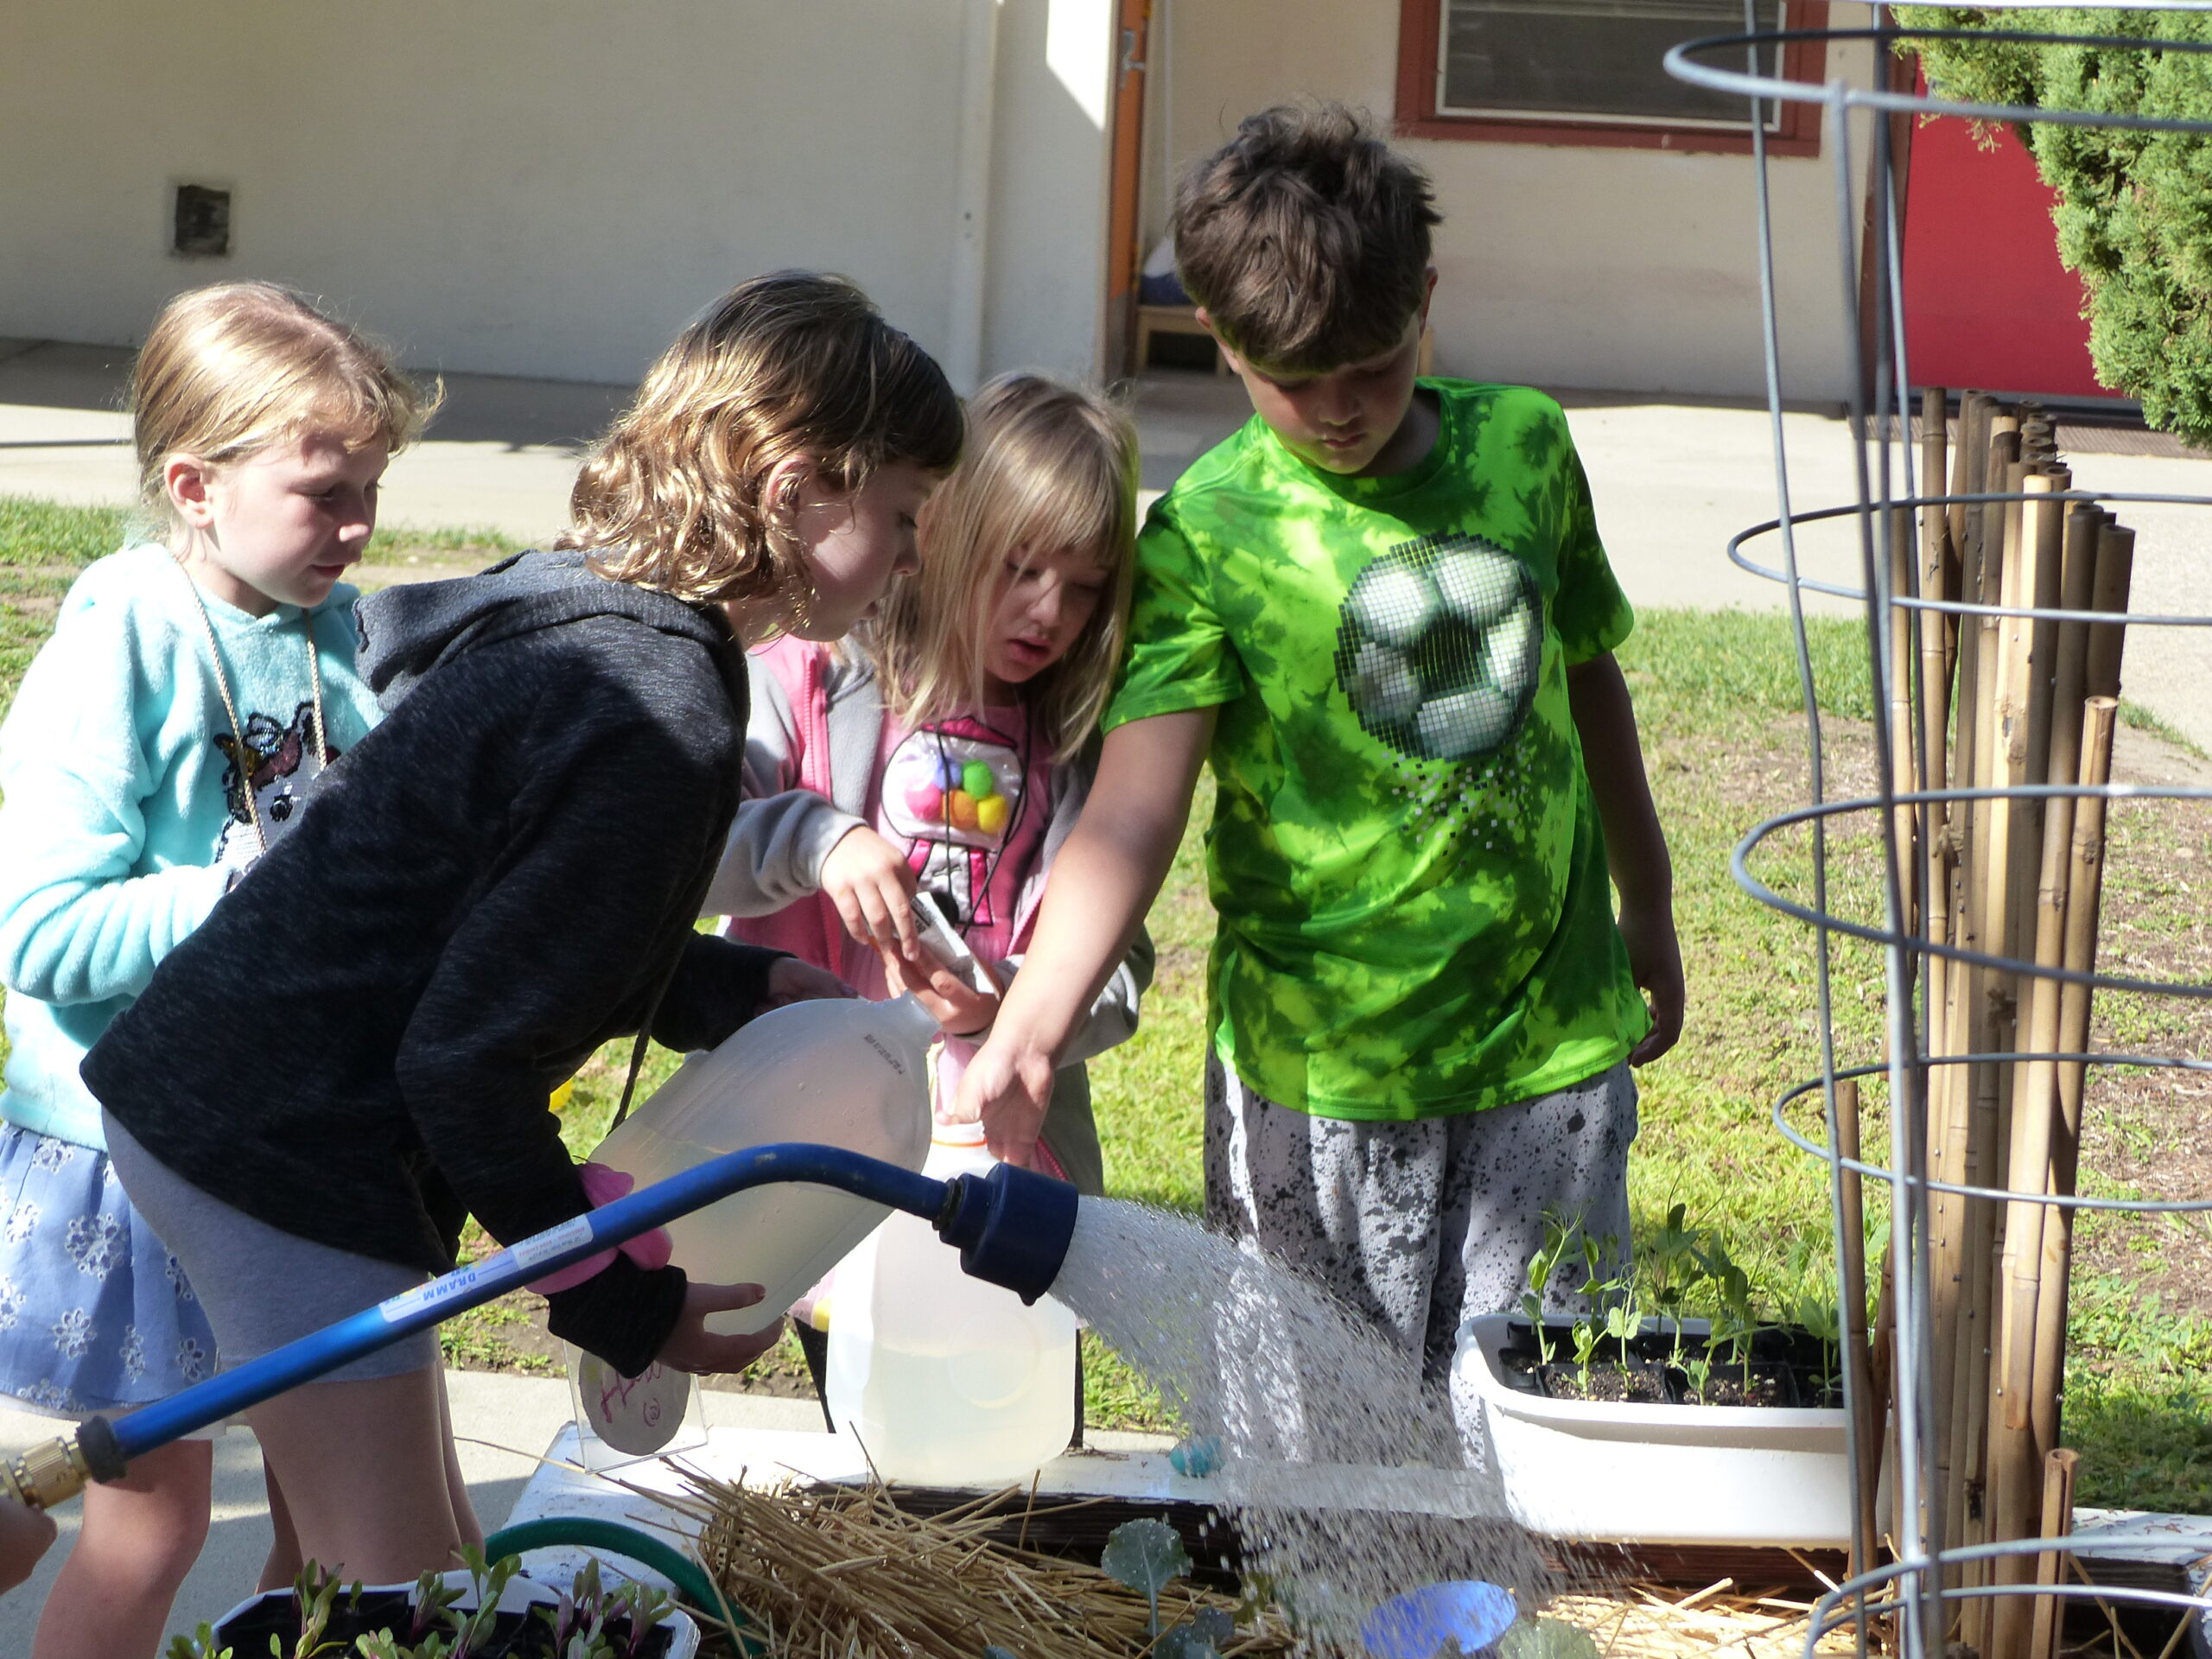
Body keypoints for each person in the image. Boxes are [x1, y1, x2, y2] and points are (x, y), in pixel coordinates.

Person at [80, 271, 963, 1588]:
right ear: (790, 488)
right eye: (899, 515)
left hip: (234, 1099)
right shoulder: (654, 709)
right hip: (280, 1140)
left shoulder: (602, 613)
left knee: (362, 1571)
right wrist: (626, 1306)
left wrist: (725, 988)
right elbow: (467, 1072)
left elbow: (510, 932)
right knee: (418, 1596)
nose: (909, 557)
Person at [956, 106, 1684, 1404]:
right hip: (1315, 1085)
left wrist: (1654, 899)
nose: (1341, 410)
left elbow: (1588, 677)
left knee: (1539, 1433)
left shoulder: (1522, 449)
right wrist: (1031, 1022)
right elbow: (1134, 809)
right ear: (1223, 345)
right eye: (1297, 379)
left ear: (1426, 305)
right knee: (1323, 1447)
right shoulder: (1210, 536)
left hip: (1546, 1054)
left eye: (1375, 365)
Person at [0, 282, 423, 1656]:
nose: (357, 528)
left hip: (277, 1155)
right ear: (195, 483)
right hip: (130, 1159)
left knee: (328, 1524)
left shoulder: (341, 642)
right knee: (155, 1521)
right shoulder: (122, 634)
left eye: (371, 489)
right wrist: (250, 892)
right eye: (324, 493)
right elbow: (42, 933)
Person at [708, 372, 1151, 1205]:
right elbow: (687, 855)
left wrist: (1009, 1015)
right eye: (1018, 568)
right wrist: (816, 841)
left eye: (1084, 585)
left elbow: (1120, 968)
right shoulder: (814, 668)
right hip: (808, 1125)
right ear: (940, 532)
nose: (1049, 611)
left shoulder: (1082, 742)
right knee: (834, 1332)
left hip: (991, 1155)